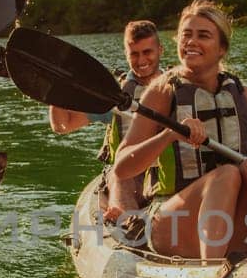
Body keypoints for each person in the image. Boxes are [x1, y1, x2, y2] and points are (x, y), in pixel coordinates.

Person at [111, 0, 247, 260]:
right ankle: (211, 271)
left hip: (230, 225)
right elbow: (122, 167)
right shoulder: (161, 92)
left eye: (203, 35)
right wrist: (169, 135)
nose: (191, 42)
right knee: (226, 174)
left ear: (222, 49)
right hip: (175, 224)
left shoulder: (242, 95)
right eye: (186, 35)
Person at [48, 20, 163, 221]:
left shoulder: (180, 88)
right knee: (121, 174)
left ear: (160, 50)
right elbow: (62, 125)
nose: (141, 60)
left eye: (147, 52)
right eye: (134, 54)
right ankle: (127, 220)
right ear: (126, 55)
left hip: (169, 170)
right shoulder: (115, 97)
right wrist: (56, 91)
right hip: (129, 174)